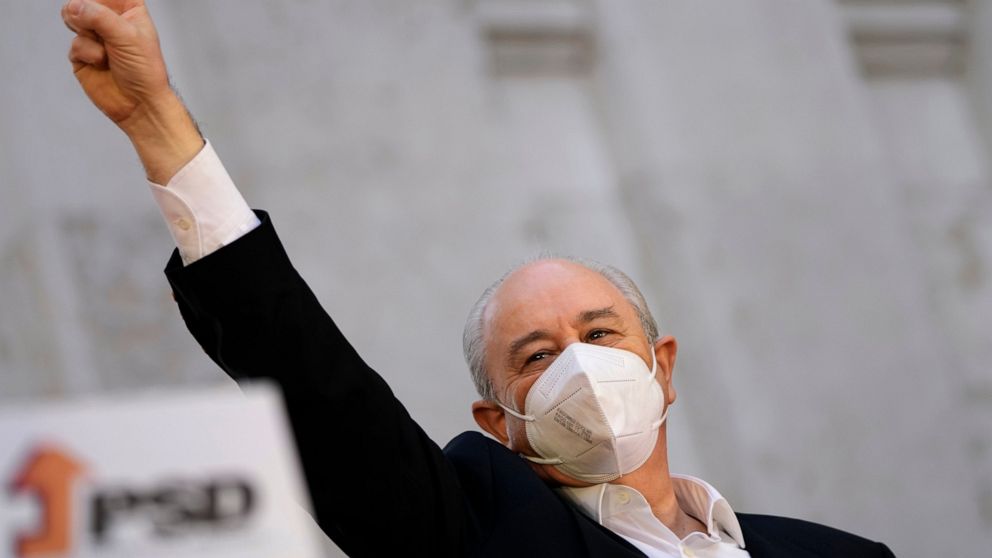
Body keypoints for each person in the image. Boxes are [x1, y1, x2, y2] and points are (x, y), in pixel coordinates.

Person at [61, 1, 896, 556]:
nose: (580, 364)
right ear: (500, 423)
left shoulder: (840, 553)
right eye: (536, 356)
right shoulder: (485, 530)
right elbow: (324, 402)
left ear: (663, 366)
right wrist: (157, 123)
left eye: (600, 333)